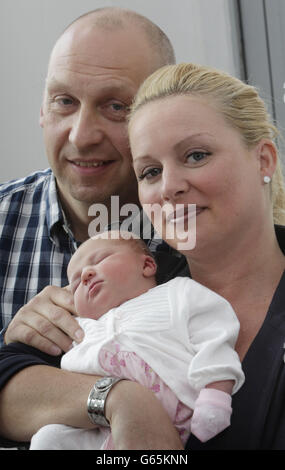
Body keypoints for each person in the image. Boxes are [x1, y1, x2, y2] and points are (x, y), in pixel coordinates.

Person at [0, 8, 185, 450]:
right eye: (65, 101)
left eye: (116, 106)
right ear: (42, 110)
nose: (81, 136)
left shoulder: (200, 235)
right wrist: (10, 349)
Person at [127, 62, 285, 449]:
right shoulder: (128, 290)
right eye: (149, 171)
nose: (169, 187)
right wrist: (116, 399)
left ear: (263, 159)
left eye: (196, 155)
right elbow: (11, 373)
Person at [30, 232, 244, 450]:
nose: (85, 274)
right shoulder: (78, 329)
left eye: (100, 260)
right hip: (103, 429)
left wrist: (215, 393)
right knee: (48, 438)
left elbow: (215, 336)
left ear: (147, 265)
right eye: (75, 284)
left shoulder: (177, 293)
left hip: (181, 418)